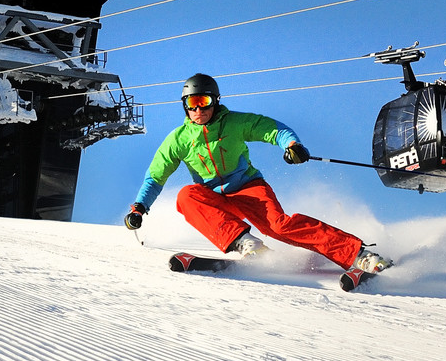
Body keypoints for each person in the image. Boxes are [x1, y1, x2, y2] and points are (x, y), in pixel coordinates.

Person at [124, 73, 392, 273]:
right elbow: (155, 177)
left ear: (215, 101)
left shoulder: (235, 122)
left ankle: (358, 254)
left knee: (279, 225)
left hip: (248, 188)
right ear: (184, 105)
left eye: (203, 101)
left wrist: (292, 145)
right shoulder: (178, 139)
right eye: (192, 103)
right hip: (215, 199)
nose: (198, 110)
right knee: (186, 196)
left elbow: (271, 128)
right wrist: (139, 208)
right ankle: (244, 243)